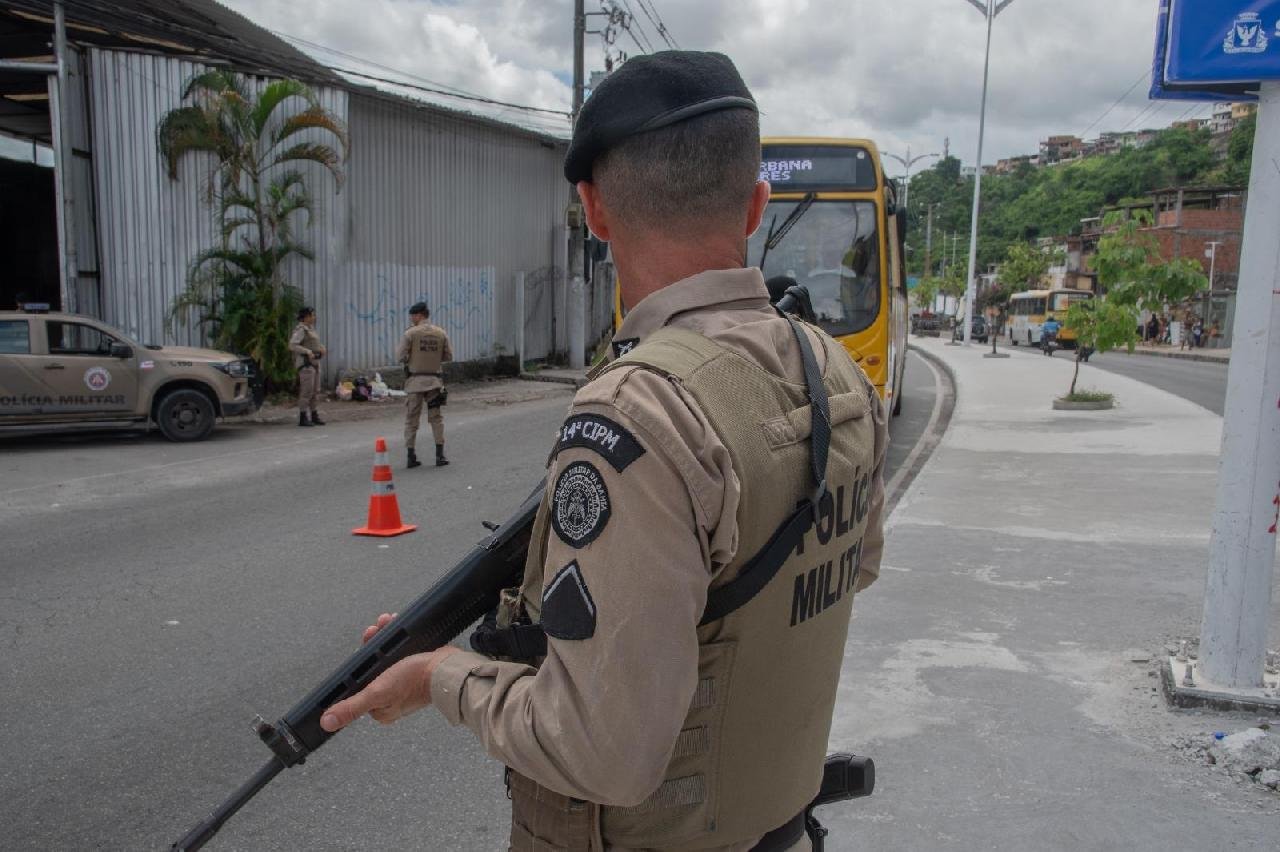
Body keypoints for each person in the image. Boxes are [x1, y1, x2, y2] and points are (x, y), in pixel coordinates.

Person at [318, 50, 888, 852]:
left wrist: (437, 677)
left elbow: (604, 755)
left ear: (593, 210)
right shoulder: (833, 371)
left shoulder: (637, 412)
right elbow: (849, 566)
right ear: (757, 206)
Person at [396, 302, 453, 468]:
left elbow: (399, 357)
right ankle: (439, 455)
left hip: (415, 382)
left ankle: (410, 456)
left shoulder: (410, 333)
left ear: (419, 315)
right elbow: (449, 356)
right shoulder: (441, 333)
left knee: (411, 419)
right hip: (434, 381)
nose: (412, 319)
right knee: (436, 418)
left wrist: (412, 358)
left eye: (413, 316)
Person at [288, 306, 325, 427]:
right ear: (306, 317)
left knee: (315, 391)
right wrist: (307, 351)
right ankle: (303, 417)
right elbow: (292, 345)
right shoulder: (301, 330)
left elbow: (315, 343)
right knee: (306, 391)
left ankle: (314, 415)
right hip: (306, 364)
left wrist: (321, 348)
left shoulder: (310, 329)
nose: (314, 317)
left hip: (315, 363)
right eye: (312, 315)